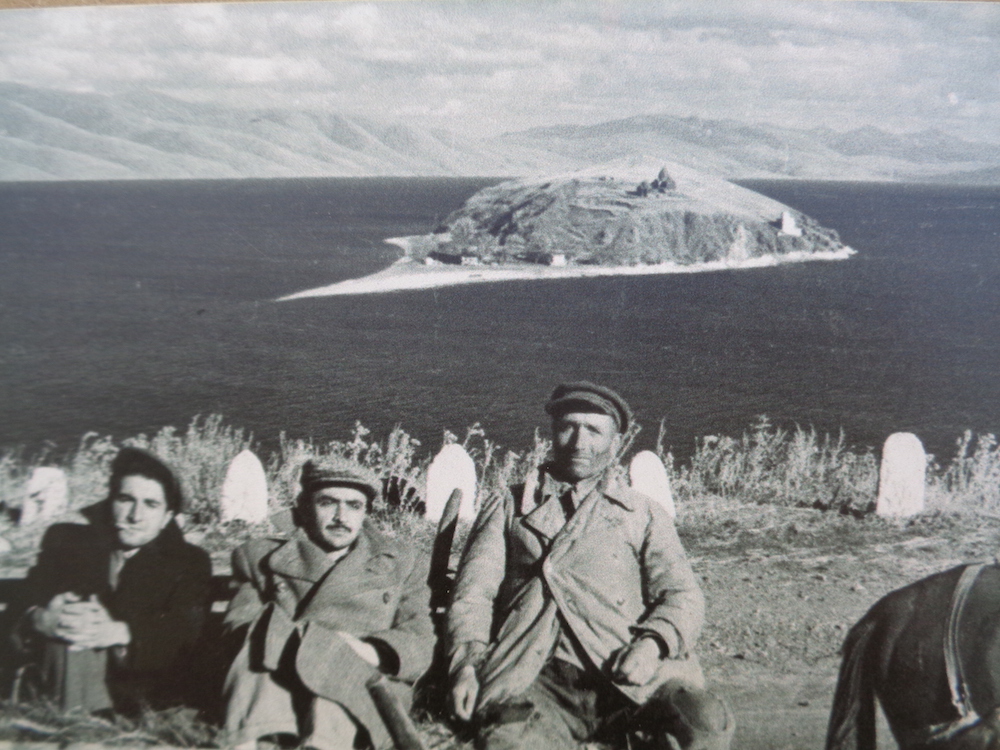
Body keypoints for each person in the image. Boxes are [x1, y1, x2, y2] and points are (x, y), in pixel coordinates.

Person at [447, 382, 733, 750]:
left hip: (627, 669)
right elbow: (473, 595)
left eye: (595, 430)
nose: (580, 442)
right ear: (552, 433)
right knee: (512, 744)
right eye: (568, 427)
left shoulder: (641, 512)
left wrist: (652, 645)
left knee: (705, 721)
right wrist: (465, 666)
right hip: (534, 673)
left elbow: (683, 595)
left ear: (615, 442)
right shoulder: (508, 506)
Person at [223, 457, 434, 750]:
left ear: (365, 512)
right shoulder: (260, 558)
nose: (340, 516)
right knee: (258, 647)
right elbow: (239, 625)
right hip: (278, 679)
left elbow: (420, 639)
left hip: (362, 683)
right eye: (327, 502)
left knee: (334, 670)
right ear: (306, 506)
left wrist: (369, 650)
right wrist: (301, 643)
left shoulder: (401, 562)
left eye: (353, 505)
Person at [15, 447, 213, 714]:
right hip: (58, 673)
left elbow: (184, 630)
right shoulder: (67, 541)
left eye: (151, 504)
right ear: (110, 502)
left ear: (167, 517)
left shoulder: (189, 562)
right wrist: (41, 618)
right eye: (125, 499)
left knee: (80, 631)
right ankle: (81, 730)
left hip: (139, 692)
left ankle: (81, 730)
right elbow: (24, 597)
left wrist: (119, 633)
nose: (135, 515)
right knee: (72, 626)